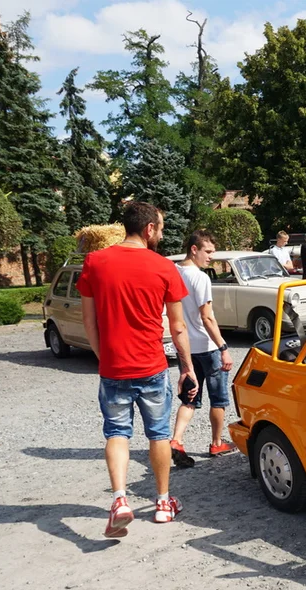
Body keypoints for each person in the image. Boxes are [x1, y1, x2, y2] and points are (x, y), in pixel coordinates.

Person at [78, 201, 196, 538]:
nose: (161, 232)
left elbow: (90, 320)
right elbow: (177, 328)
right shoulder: (163, 267)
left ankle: (119, 500)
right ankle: (162, 503)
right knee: (158, 434)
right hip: (152, 367)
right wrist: (187, 368)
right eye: (160, 226)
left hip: (114, 368)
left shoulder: (95, 262)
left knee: (116, 433)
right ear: (149, 229)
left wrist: (105, 358)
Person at [170, 229, 235, 469]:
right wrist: (223, 347)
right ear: (194, 249)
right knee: (218, 399)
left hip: (186, 347)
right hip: (208, 347)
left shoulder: (174, 273)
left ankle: (176, 440)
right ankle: (217, 443)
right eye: (207, 252)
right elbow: (207, 317)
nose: (211, 257)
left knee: (190, 398)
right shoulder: (201, 278)